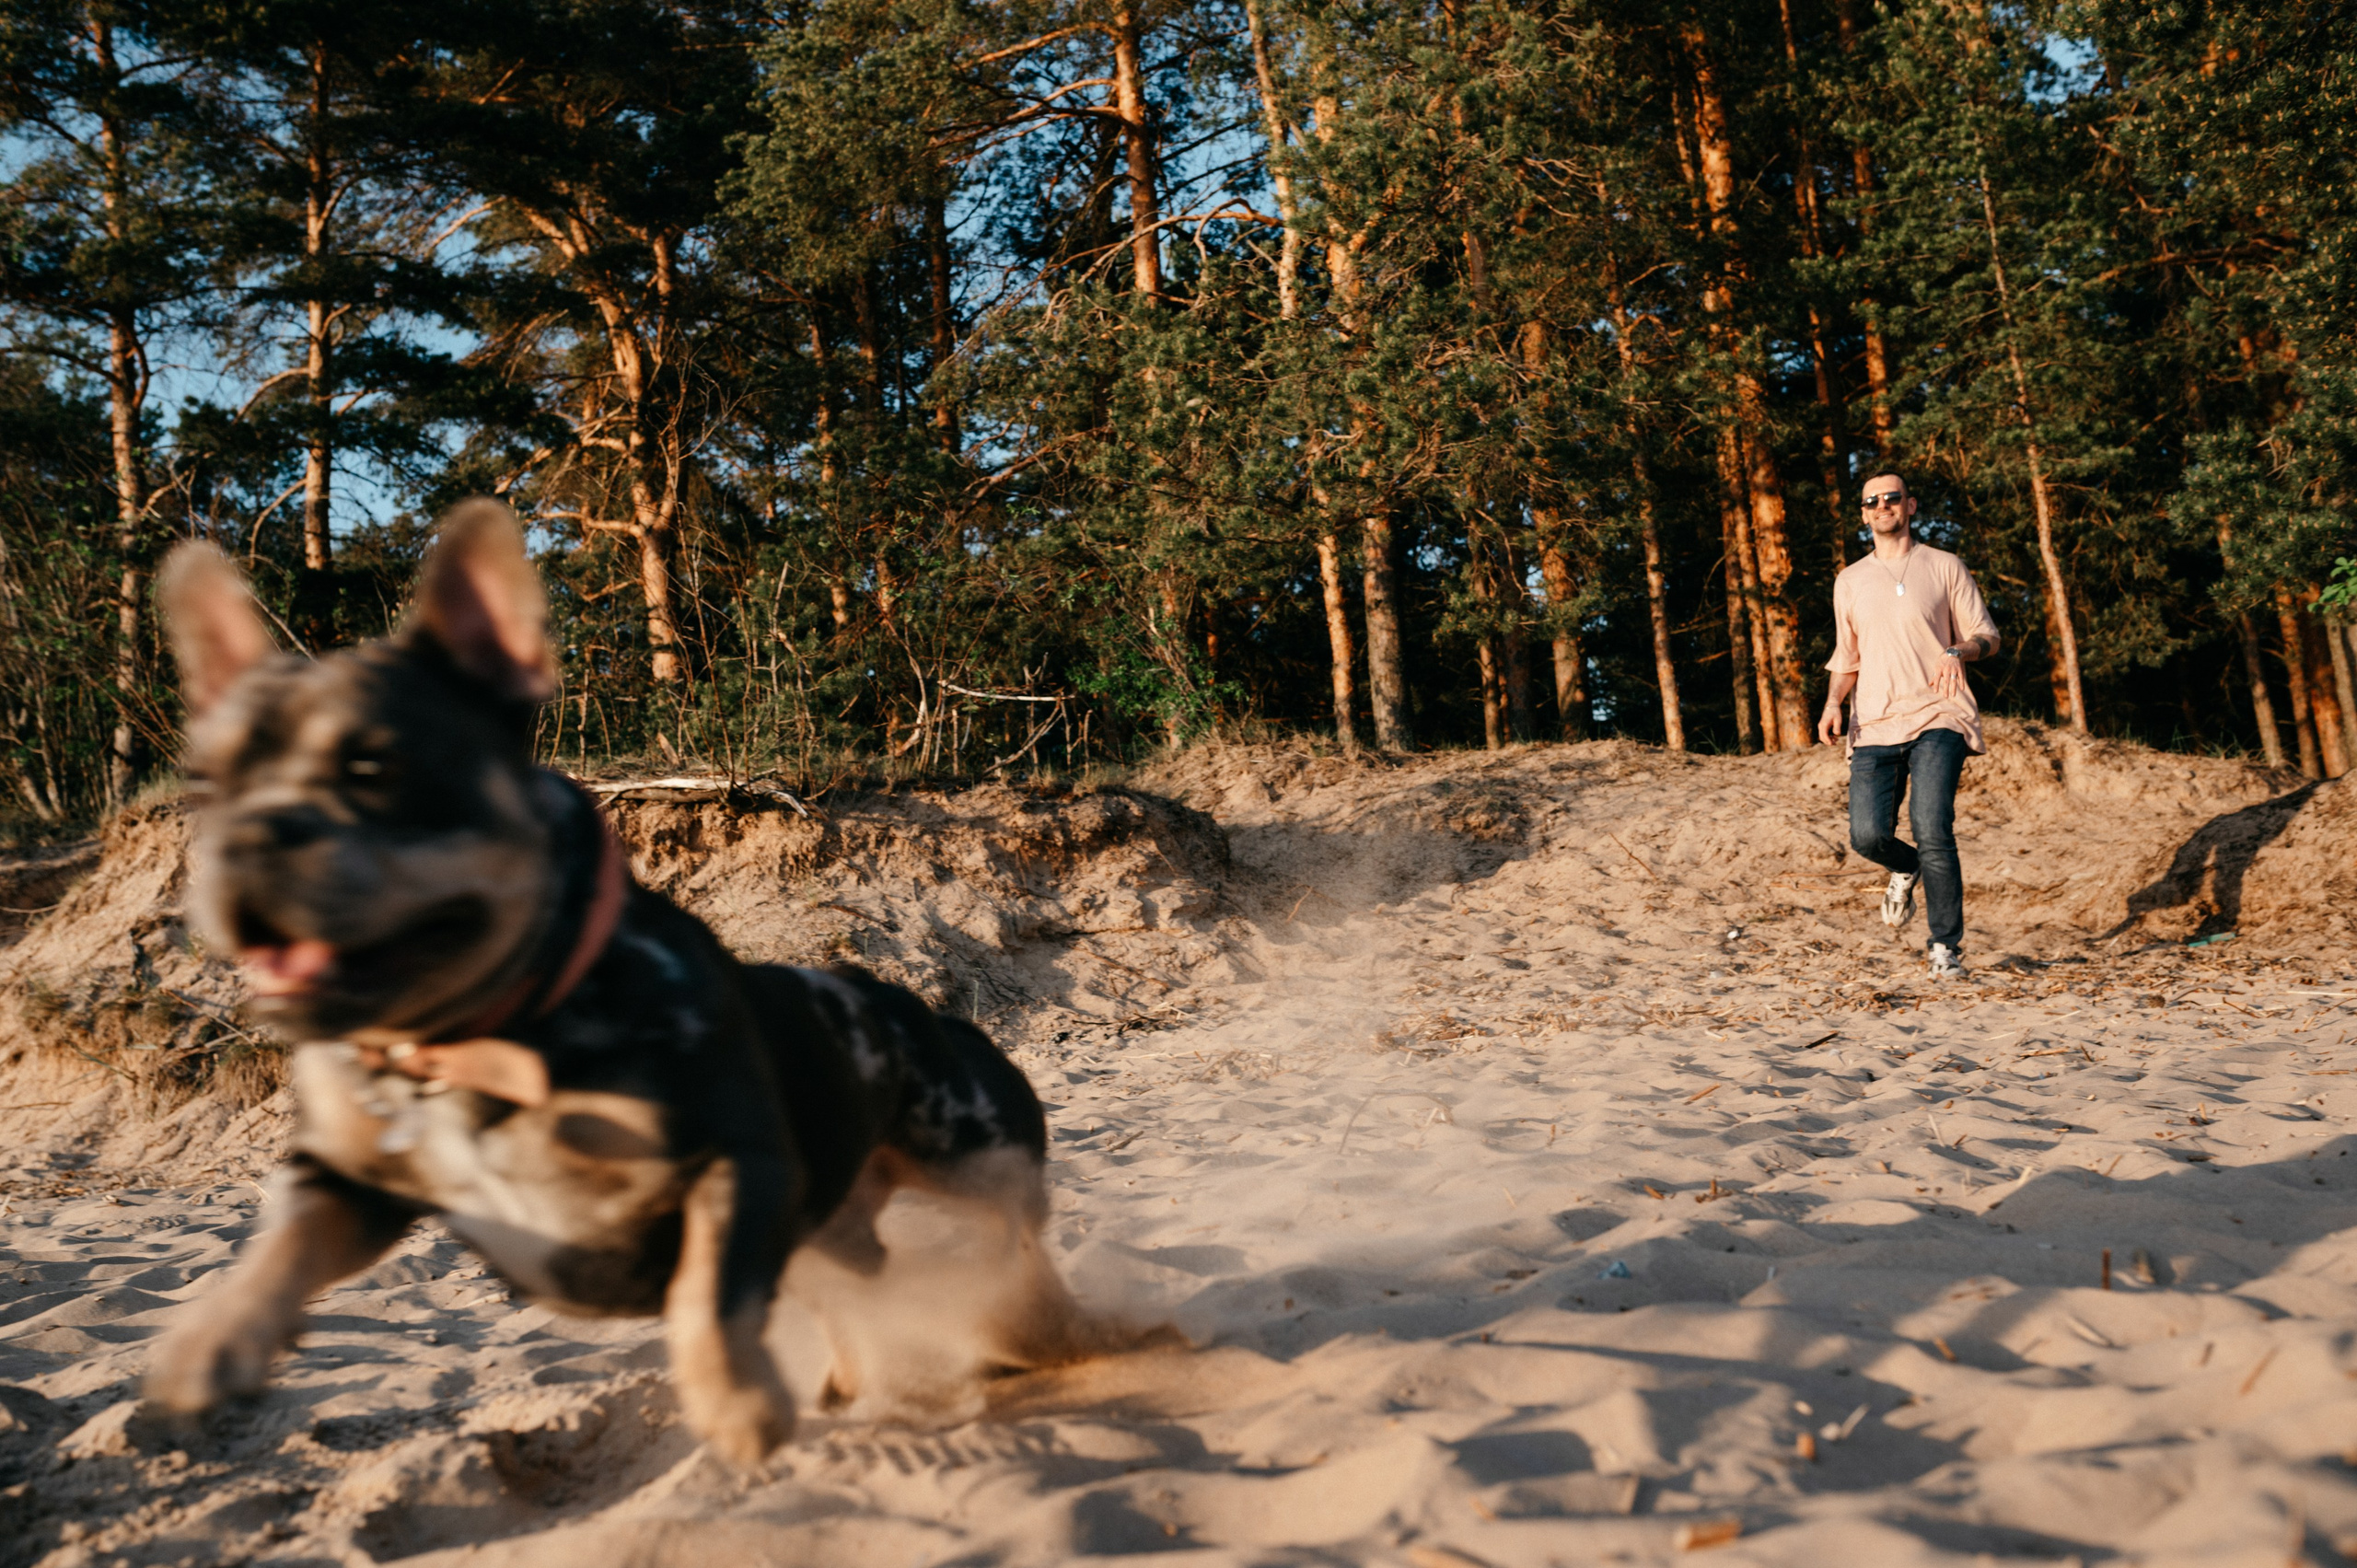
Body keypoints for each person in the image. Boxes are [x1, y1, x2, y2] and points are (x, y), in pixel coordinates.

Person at [1817, 472, 2002, 980]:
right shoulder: (1850, 580)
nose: (1882, 506)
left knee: (1931, 826)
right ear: (1863, 514)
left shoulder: (1944, 566)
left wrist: (1958, 650)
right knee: (1867, 835)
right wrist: (1833, 703)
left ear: (1910, 505)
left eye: (1891, 498)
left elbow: (1987, 636)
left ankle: (1944, 946)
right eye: (1871, 501)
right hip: (1874, 722)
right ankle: (1905, 865)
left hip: (1940, 713)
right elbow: (1847, 656)